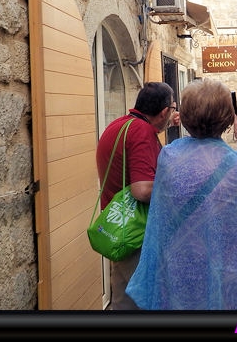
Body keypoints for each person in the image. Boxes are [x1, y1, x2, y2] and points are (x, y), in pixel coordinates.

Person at [126, 79, 237, 309]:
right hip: (231, 269)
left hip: (182, 268)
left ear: (184, 117)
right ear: (227, 117)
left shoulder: (169, 157)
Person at [95, 81, 180, 310]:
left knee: (123, 298)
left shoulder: (119, 125)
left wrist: (168, 125)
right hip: (137, 233)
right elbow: (142, 190)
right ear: (163, 111)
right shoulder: (142, 132)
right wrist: (178, 188)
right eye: (172, 108)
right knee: (143, 301)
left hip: (119, 227)